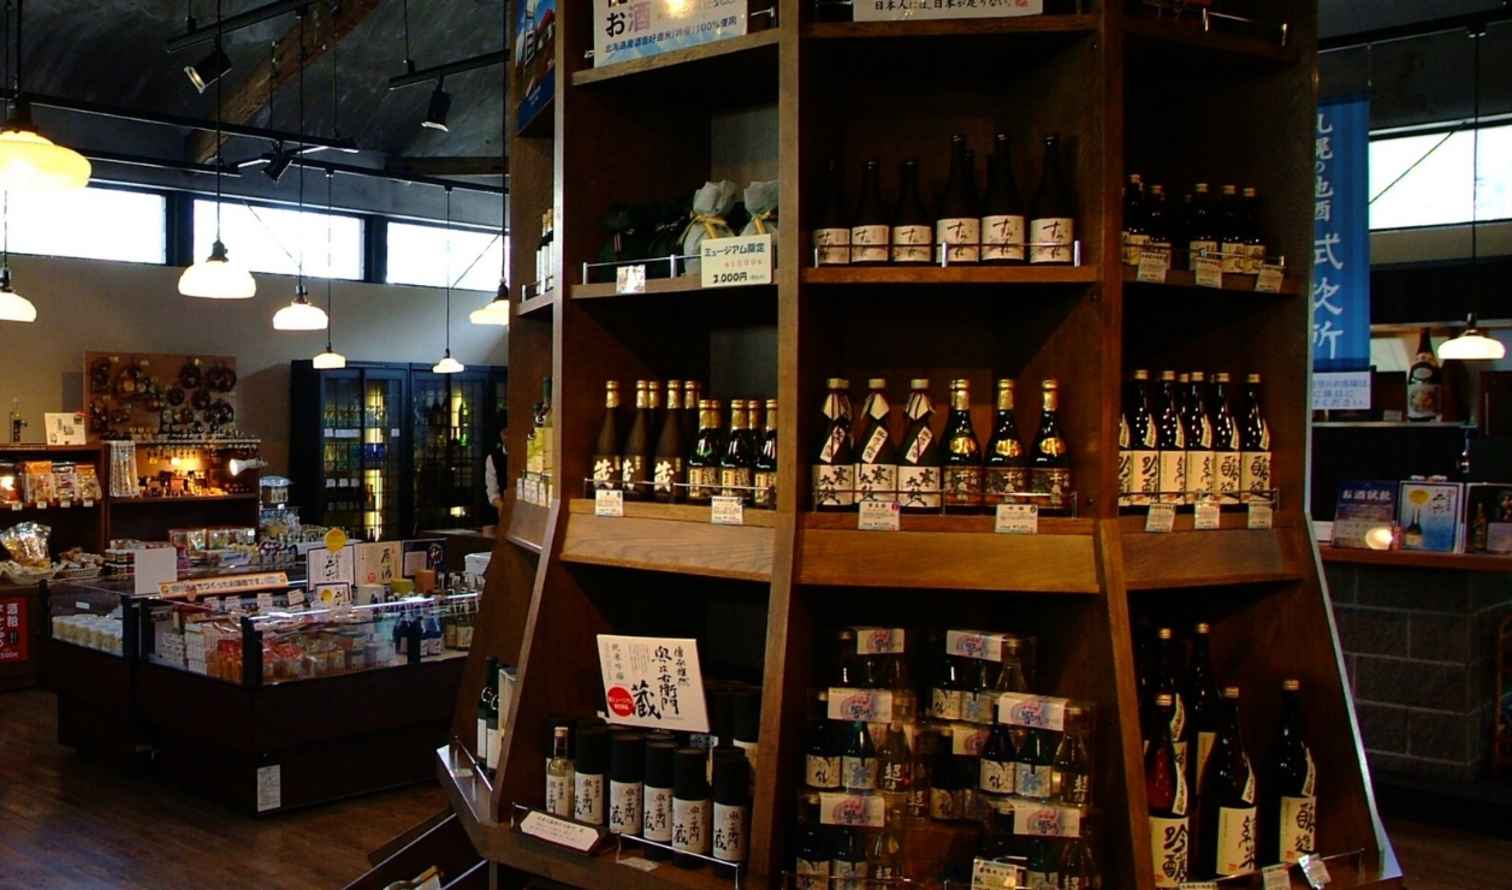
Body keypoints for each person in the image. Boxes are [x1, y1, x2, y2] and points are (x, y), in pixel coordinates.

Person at [485, 427, 507, 518]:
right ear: (501, 435)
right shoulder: (493, 458)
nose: (509, 437)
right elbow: (492, 491)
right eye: (506, 433)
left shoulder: (529, 454)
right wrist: (501, 506)